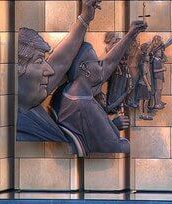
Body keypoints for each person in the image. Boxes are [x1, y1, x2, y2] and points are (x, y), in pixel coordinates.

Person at [51, 20, 147, 155]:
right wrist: (115, 127)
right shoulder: (86, 105)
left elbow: (109, 62)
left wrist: (131, 34)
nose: (101, 64)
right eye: (96, 62)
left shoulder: (64, 92)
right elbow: (115, 146)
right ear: (85, 68)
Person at [15, 0, 100, 143]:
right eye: (39, 61)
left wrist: (84, 20)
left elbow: (61, 61)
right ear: (17, 69)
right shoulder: (21, 128)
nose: (50, 70)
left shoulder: (28, 102)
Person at [148, 29, 172, 110]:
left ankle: (159, 101)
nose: (160, 41)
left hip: (159, 71)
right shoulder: (153, 50)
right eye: (158, 40)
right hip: (154, 71)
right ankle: (156, 103)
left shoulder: (160, 48)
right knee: (156, 89)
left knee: (160, 89)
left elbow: (169, 43)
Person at [132, 42, 153, 120]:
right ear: (145, 57)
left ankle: (141, 114)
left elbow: (148, 50)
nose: (149, 57)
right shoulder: (144, 64)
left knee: (142, 99)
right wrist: (148, 85)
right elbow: (144, 75)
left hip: (143, 83)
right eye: (147, 56)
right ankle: (145, 114)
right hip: (144, 84)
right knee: (146, 99)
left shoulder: (144, 63)